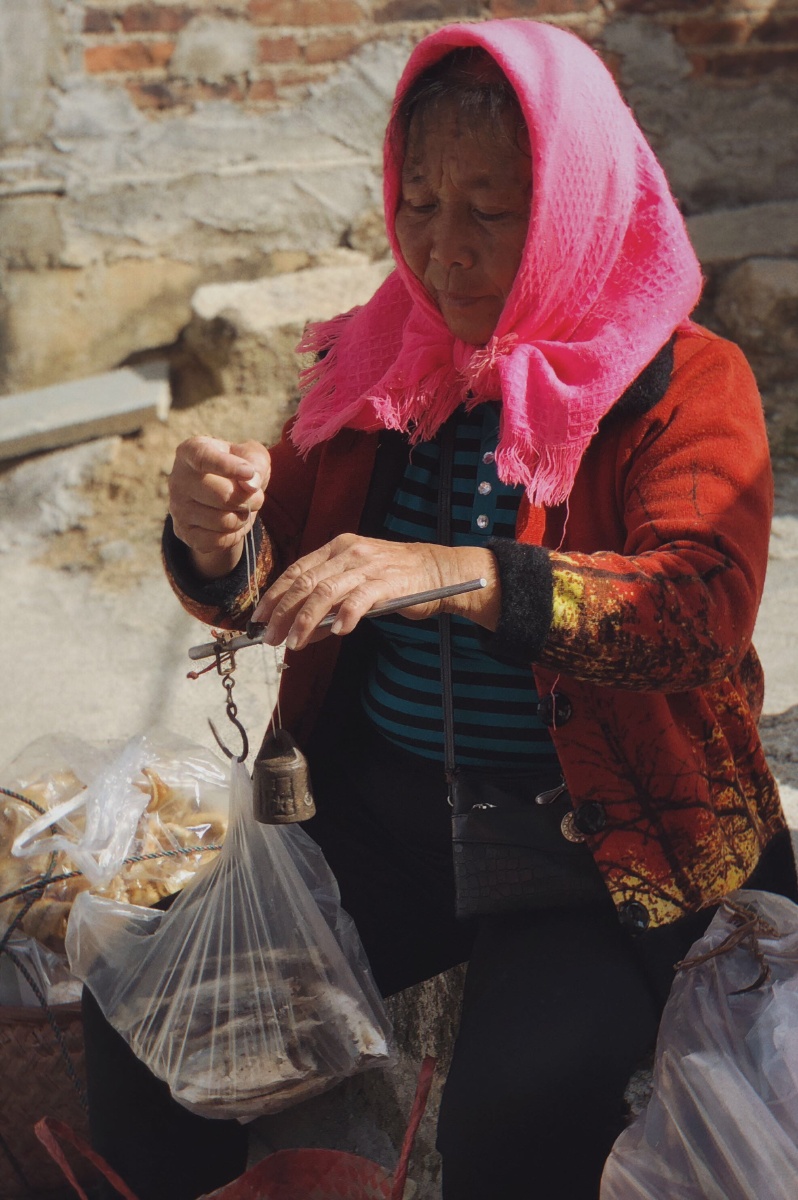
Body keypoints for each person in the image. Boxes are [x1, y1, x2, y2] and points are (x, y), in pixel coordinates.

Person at [82, 18, 797, 1200]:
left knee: (516, 1107)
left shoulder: (680, 378)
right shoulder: (384, 355)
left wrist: (456, 571)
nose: (444, 252)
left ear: (573, 203)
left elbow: (700, 608)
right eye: (419, 203)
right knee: (148, 1018)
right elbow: (285, 580)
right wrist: (217, 539)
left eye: (491, 210)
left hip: (596, 846)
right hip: (382, 816)